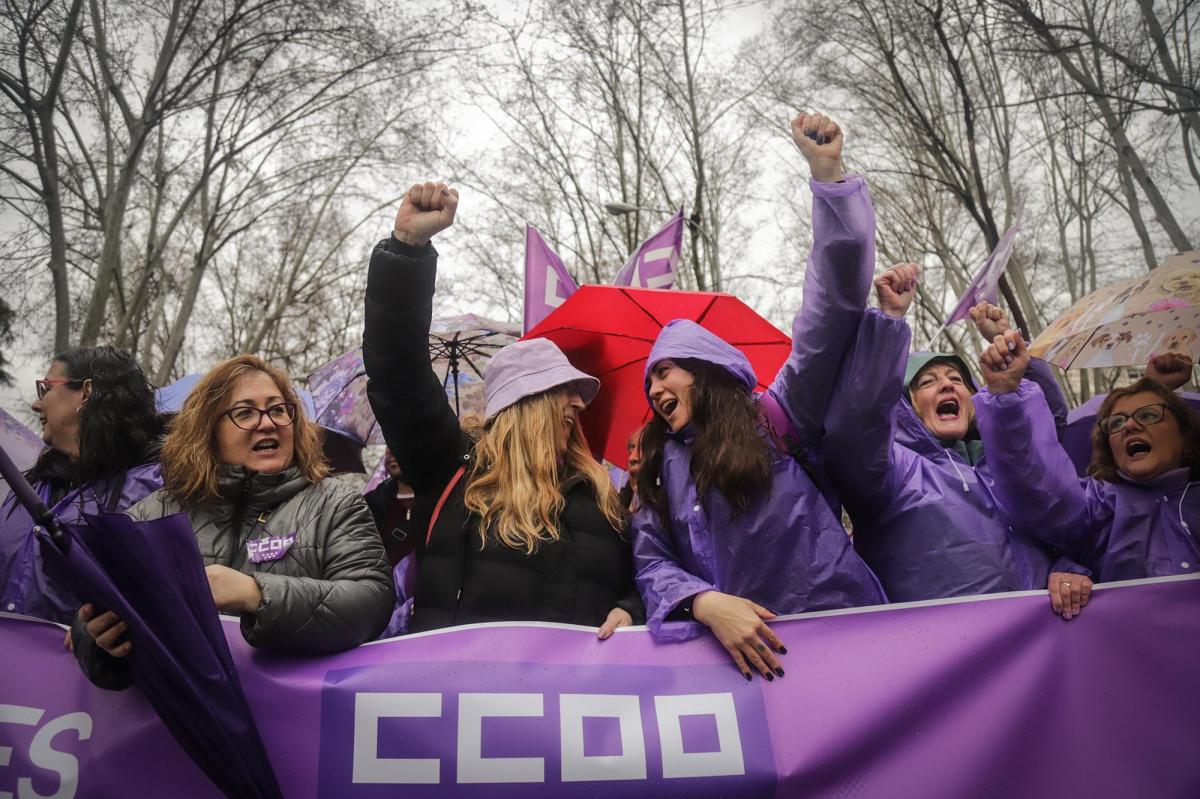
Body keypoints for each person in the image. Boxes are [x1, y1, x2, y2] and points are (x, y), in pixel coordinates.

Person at [632, 113, 887, 682]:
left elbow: (832, 308)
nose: (653, 390)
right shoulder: (655, 466)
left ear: (708, 371)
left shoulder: (778, 415)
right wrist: (703, 602)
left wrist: (829, 180)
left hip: (845, 647)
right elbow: (650, 560)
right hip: (740, 676)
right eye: (649, 382)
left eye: (665, 372)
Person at [363, 181, 644, 638]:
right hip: (460, 702)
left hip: (574, 704)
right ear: (523, 403)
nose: (578, 403)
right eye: (563, 390)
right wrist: (408, 250)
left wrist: (632, 608)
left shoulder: (601, 497)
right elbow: (396, 369)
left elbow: (637, 582)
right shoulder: (453, 470)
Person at [72, 355, 393, 687]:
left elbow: (369, 602)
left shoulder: (335, 502)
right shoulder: (152, 513)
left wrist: (256, 593)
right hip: (171, 726)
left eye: (278, 409)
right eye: (244, 413)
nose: (267, 423)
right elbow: (91, 616)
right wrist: (98, 641)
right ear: (208, 429)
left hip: (293, 724)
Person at [824, 266, 1091, 618]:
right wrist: (889, 321)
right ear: (905, 405)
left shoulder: (1008, 465)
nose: (948, 385)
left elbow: (1050, 434)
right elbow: (859, 424)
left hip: (1044, 650)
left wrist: (1071, 566)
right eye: (928, 382)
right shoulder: (891, 471)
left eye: (956, 378)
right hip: (950, 659)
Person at [974, 333, 1200, 588]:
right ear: (1109, 449)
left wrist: (1157, 387)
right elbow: (1037, 484)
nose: (1129, 426)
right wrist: (1006, 395)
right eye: (1116, 422)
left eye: (1148, 415)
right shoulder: (1100, 509)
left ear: (1186, 435)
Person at [0, 346, 163, 624]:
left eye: (46, 388)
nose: (36, 404)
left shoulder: (153, 491)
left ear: (87, 392)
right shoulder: (29, 486)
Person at [363, 449, 418, 565]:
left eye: (397, 443)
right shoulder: (371, 503)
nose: (390, 452)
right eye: (388, 447)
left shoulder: (443, 501)